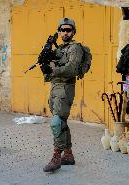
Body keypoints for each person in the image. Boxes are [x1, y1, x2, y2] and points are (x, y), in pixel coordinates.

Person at [41, 18, 84, 173]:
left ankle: (56, 157)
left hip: (65, 88)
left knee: (56, 122)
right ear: (59, 32)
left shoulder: (75, 48)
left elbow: (72, 69)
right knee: (62, 122)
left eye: (68, 30)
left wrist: (53, 71)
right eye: (62, 30)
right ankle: (69, 155)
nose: (65, 32)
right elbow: (53, 65)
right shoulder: (59, 49)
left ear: (73, 32)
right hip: (54, 87)